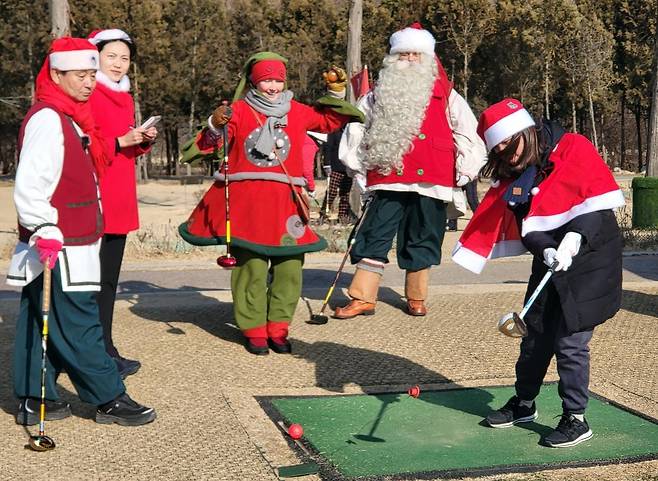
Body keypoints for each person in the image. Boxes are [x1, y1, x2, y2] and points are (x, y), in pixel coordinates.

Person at [452, 98, 625, 447]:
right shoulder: (515, 175)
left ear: (525, 133)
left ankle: (576, 418)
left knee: (569, 340)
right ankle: (524, 403)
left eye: (509, 144)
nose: (507, 154)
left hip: (592, 256)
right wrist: (546, 248)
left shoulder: (574, 147)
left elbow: (597, 201)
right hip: (550, 257)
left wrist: (574, 238)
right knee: (535, 334)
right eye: (498, 149)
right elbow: (527, 225)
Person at [7, 37, 156, 427]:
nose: (91, 82)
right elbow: (30, 184)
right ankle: (109, 397)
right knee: (80, 321)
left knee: (40, 320)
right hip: (60, 240)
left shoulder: (70, 116)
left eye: (93, 74)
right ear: (56, 74)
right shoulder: (48, 119)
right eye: (81, 75)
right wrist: (43, 228)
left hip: (70, 238)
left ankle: (33, 398)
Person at [178, 52, 363, 355]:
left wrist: (336, 92)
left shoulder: (298, 111)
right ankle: (253, 328)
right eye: (266, 80)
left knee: (290, 267)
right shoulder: (237, 111)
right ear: (254, 81)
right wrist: (213, 123)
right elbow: (206, 147)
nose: (273, 85)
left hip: (286, 205)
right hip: (246, 206)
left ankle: (278, 327)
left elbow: (330, 120)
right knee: (249, 268)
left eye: (278, 79)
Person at [333, 23, 486, 319]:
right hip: (388, 174)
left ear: (428, 57)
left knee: (424, 234)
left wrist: (465, 169)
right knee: (374, 233)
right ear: (393, 58)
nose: (410, 59)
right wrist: (358, 167)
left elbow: (468, 131)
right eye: (404, 54)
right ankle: (363, 296)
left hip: (433, 177)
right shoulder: (376, 94)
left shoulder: (447, 94)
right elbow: (356, 129)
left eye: (416, 54)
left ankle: (416, 296)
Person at [87, 28, 158, 379]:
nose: (118, 64)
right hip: (93, 197)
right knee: (89, 282)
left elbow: (121, 143)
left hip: (119, 195)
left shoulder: (123, 95)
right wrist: (120, 140)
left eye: (124, 58)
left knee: (109, 281)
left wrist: (141, 139)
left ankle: (106, 346)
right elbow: (85, 146)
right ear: (95, 55)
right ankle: (93, 351)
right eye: (111, 56)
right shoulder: (87, 92)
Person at [320, 127, 354, 224]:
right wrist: (327, 164)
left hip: (348, 168)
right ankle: (324, 213)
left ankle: (343, 215)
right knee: (331, 192)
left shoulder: (352, 132)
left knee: (345, 194)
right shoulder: (335, 131)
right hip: (335, 167)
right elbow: (328, 147)